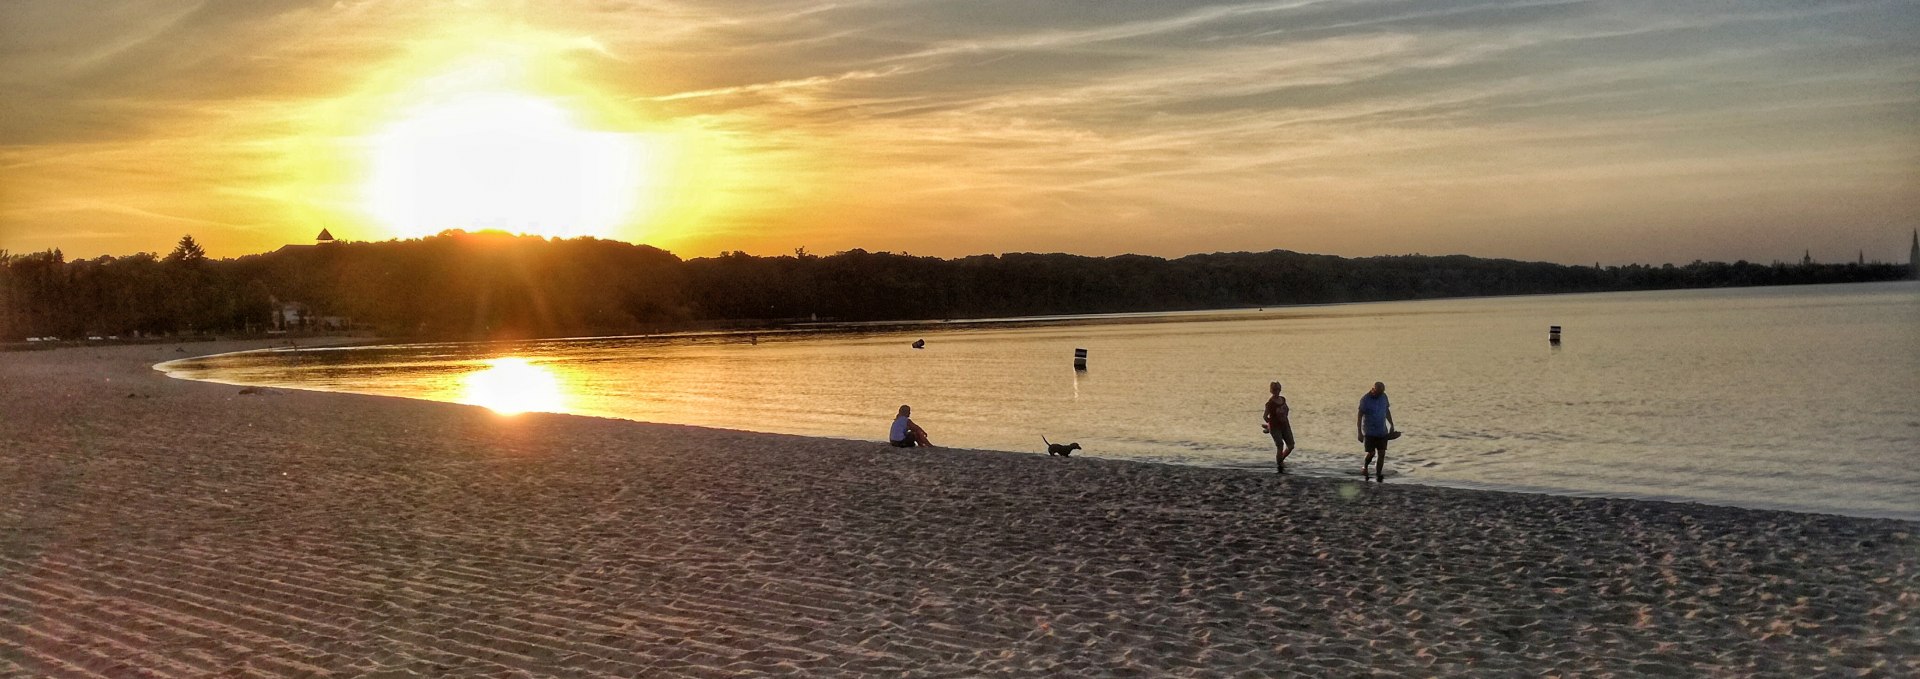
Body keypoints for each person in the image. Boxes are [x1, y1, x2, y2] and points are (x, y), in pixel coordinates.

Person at [1356, 382, 1394, 480]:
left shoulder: (1384, 396)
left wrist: (1391, 424)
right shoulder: (1365, 400)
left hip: (1382, 430)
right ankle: (1365, 466)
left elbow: (1387, 410)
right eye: (1378, 392)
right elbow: (1359, 416)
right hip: (1369, 431)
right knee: (1371, 453)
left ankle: (1378, 474)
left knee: (1381, 453)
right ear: (1373, 389)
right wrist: (1359, 432)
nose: (1380, 394)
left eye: (1382, 392)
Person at [1263, 381, 1294, 473]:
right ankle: (1279, 464)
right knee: (1280, 445)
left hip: (1285, 425)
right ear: (1271, 391)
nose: (1277, 391)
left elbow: (1286, 410)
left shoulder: (1283, 399)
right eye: (1275, 390)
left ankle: (1281, 460)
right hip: (1275, 427)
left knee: (1291, 445)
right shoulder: (1270, 404)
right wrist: (1270, 424)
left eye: (1278, 389)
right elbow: (1265, 417)